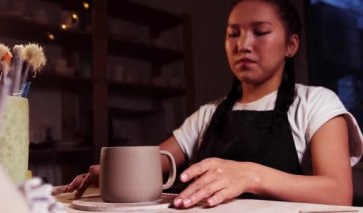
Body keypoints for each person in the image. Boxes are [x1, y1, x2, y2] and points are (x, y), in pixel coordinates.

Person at [61, 0, 363, 208]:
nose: (243, 44)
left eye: (260, 32)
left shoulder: (316, 103)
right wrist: (118, 170)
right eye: (234, 33)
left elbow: (338, 193)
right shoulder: (209, 114)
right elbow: (163, 160)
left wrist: (252, 176)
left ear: (291, 45)